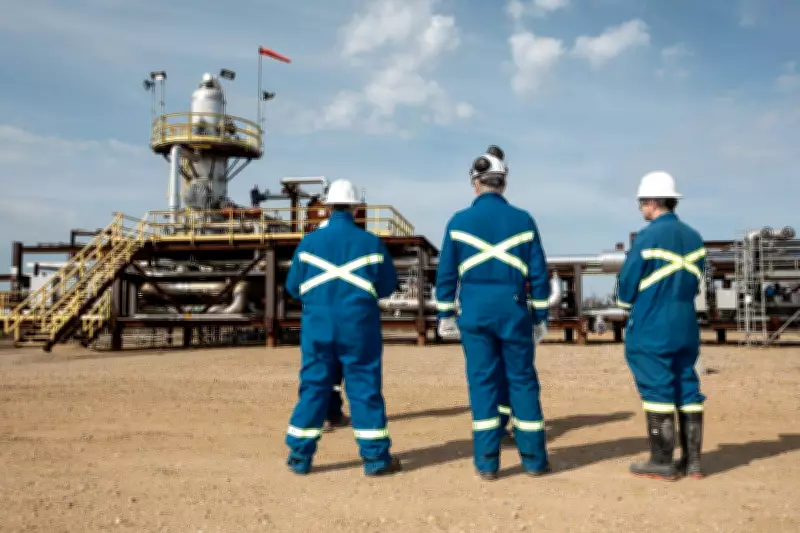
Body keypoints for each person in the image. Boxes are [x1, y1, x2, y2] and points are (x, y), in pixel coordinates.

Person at [435, 145, 551, 481]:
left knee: (482, 383)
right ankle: (534, 461)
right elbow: (538, 274)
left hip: (475, 313)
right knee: (522, 381)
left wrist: (445, 314)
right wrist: (540, 316)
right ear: (504, 182)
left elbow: (446, 274)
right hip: (514, 311)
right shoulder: (523, 220)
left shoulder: (458, 222)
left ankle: (487, 463)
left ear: (475, 183)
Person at [283, 178, 402, 476]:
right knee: (364, 389)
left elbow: (293, 287)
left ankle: (300, 457)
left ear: (327, 207)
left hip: (319, 327)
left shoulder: (308, 243)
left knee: (314, 387)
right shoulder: (371, 243)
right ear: (356, 208)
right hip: (359, 327)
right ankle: (375, 460)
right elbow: (388, 285)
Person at [616, 171, 706, 480]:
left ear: (653, 202)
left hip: (653, 323)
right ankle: (693, 462)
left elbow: (627, 284)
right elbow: (697, 282)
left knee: (657, 387)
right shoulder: (694, 238)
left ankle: (662, 460)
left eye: (642, 202)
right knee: (687, 385)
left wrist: (625, 303)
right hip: (686, 323)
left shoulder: (648, 236)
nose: (641, 207)